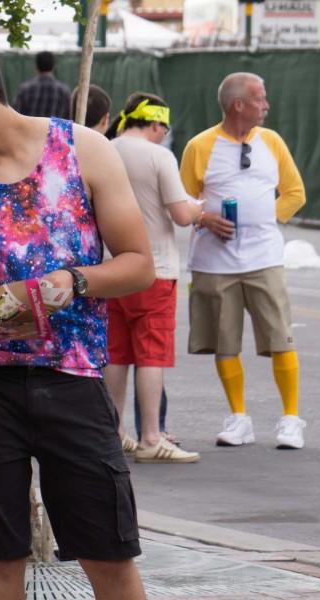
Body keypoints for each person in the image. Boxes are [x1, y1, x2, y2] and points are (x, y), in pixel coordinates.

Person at [0, 37, 153, 599]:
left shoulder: (83, 150)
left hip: (73, 379)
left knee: (107, 551)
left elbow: (140, 265)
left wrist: (74, 281)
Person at [180, 72, 306, 449]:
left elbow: (295, 193)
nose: (266, 105)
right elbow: (183, 201)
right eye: (259, 98)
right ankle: (239, 417)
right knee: (225, 342)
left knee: (280, 337)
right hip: (214, 262)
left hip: (264, 257)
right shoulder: (200, 146)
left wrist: (265, 218)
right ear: (239, 105)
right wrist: (204, 218)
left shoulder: (272, 142)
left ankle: (290, 418)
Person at [101, 92, 202, 464]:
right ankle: (151, 437)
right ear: (156, 124)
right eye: (164, 128)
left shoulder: (105, 149)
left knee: (116, 354)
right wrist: (197, 208)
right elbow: (180, 214)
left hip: (110, 268)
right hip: (153, 270)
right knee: (150, 356)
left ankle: (115, 433)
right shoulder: (159, 156)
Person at [13, 50, 71, 120]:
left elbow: (16, 117)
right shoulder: (64, 91)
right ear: (54, 66)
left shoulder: (25, 89)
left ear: (36, 66)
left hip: (31, 130)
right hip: (55, 131)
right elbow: (68, 120)